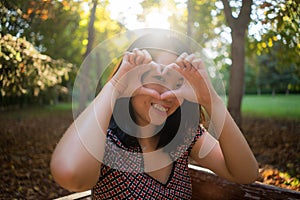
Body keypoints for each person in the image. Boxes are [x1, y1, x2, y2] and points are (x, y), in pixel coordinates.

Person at [50, 30, 259, 199]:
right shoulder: (104, 141)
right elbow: (70, 175)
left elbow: (246, 173)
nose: (167, 94)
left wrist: (210, 99)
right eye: (156, 78)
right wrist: (115, 86)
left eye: (178, 83)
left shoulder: (186, 136)